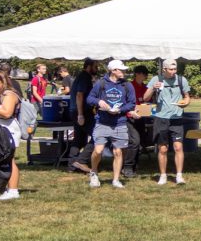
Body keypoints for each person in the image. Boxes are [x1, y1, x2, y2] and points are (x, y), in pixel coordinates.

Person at [86, 59, 136, 189]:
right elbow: (89, 98)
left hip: (120, 123)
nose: (124, 71)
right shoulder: (101, 83)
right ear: (113, 71)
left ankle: (115, 179)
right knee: (98, 151)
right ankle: (94, 172)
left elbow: (132, 103)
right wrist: (99, 102)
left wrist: (120, 110)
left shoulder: (127, 85)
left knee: (118, 152)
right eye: (122, 69)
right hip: (102, 122)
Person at [144, 59, 190, 185]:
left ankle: (179, 176)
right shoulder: (156, 79)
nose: (173, 72)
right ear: (164, 69)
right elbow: (145, 98)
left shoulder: (181, 80)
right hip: (161, 118)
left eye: (175, 69)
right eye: (171, 69)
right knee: (163, 149)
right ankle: (163, 175)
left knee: (178, 147)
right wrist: (153, 88)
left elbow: (187, 96)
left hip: (177, 117)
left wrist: (185, 103)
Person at [0, 70, 23, 200]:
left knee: (9, 159)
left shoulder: (9, 94)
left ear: (2, 82)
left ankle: (13, 190)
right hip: (0, 129)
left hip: (8, 130)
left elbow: (6, 113)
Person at [68, 58, 98, 174]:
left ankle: (72, 166)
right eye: (95, 67)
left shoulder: (83, 76)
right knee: (98, 135)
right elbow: (79, 95)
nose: (97, 69)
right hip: (81, 111)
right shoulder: (85, 77)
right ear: (89, 66)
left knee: (79, 138)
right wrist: (81, 115)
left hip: (76, 111)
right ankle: (82, 160)